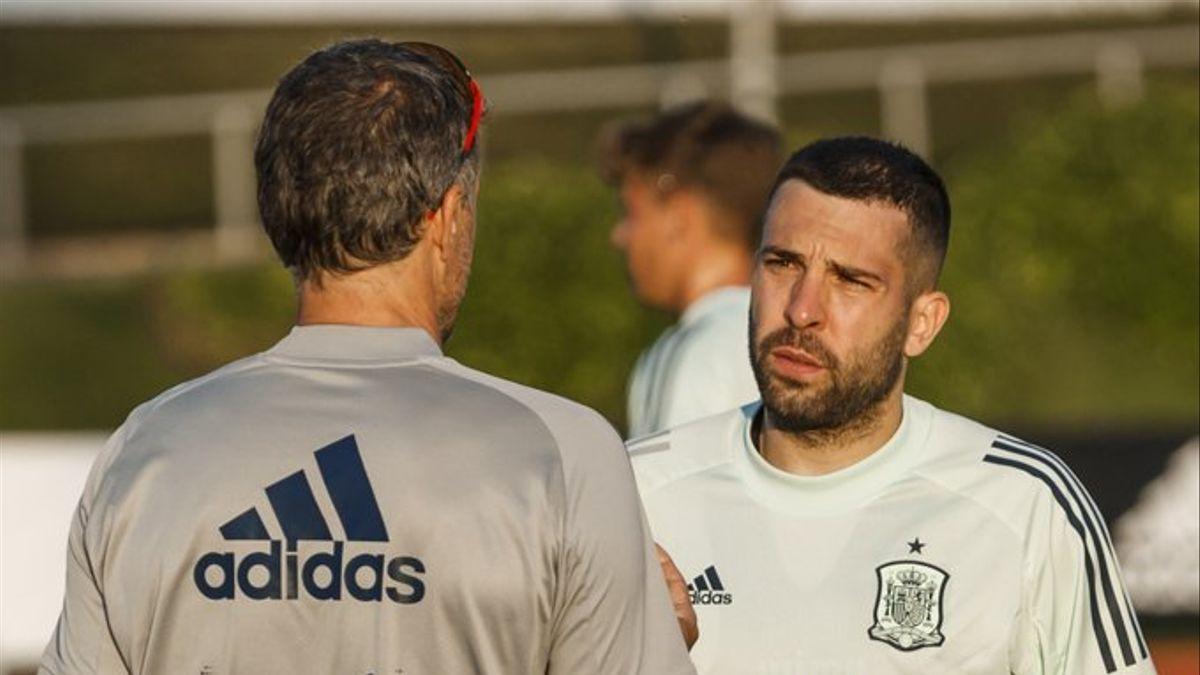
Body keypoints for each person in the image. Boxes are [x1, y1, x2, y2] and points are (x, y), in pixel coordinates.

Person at [40, 39, 695, 675]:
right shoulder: (563, 454)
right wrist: (656, 635)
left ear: (279, 212)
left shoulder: (145, 451)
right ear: (446, 218)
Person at [629, 136, 1155, 674]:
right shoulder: (632, 490)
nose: (802, 310)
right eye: (783, 264)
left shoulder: (1026, 505)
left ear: (922, 323)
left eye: (851, 281)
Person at [599, 102, 782, 437]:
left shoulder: (702, 349)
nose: (619, 236)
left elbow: (681, 489)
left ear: (678, 216)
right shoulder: (772, 335)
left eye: (631, 212)